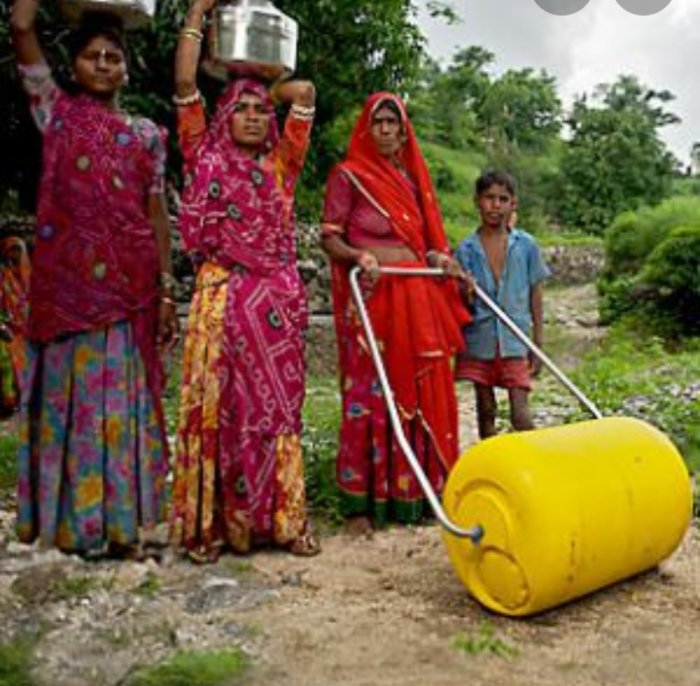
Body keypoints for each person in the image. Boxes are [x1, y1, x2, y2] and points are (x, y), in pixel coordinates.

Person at [10, 0, 177, 556]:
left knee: (119, 411)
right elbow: (22, 34)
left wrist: (167, 287)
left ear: (126, 68)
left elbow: (155, 213)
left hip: (129, 291)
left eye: (113, 57)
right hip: (69, 292)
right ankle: (74, 526)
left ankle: (121, 526)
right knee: (74, 407)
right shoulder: (54, 114)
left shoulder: (148, 135)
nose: (103, 65)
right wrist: (23, 16)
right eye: (92, 57)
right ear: (74, 66)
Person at [170, 0, 319, 562]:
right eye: (242, 109)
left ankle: (283, 519)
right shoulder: (202, 152)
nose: (254, 117)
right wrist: (199, 11)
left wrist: (258, 82)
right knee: (222, 413)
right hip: (221, 300)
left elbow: (301, 93)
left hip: (274, 304)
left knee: (276, 412)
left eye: (260, 111)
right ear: (223, 116)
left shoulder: (283, 164)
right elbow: (185, 80)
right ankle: (215, 527)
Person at [321, 92, 471, 534]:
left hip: (418, 295)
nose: (387, 130)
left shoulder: (412, 181)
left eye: (394, 123)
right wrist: (357, 255)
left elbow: (427, 241)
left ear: (404, 131)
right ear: (366, 128)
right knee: (372, 395)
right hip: (373, 294)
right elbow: (329, 237)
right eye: (379, 122)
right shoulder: (348, 175)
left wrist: (441, 260)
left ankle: (423, 495)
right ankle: (363, 504)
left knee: (425, 388)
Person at [455, 170, 550, 439]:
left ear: (513, 204)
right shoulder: (466, 250)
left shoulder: (526, 245)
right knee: (485, 410)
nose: (495, 205)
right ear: (477, 201)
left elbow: (535, 293)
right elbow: (461, 303)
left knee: (521, 415)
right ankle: (492, 468)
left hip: (515, 340)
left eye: (502, 199)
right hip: (479, 341)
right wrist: (465, 290)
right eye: (489, 198)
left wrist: (537, 343)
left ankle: (535, 465)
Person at [0, 236, 30, 417]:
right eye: (12, 250)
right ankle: (9, 404)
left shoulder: (29, 275)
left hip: (27, 330)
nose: (15, 254)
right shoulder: (3, 275)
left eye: (18, 250)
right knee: (10, 363)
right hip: (9, 329)